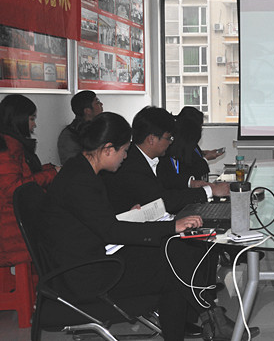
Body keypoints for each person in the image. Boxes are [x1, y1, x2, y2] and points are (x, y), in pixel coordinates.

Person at [42, 112, 258, 341]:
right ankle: (211, 320)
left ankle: (211, 319)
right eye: (124, 150)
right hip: (86, 275)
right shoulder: (81, 181)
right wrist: (171, 226)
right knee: (173, 267)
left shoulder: (80, 170)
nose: (126, 157)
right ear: (108, 149)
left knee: (176, 251)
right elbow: (110, 231)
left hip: (93, 257)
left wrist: (131, 216)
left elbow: (96, 222)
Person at [103, 106, 229, 215]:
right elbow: (163, 201)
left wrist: (191, 183)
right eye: (168, 138)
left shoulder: (153, 158)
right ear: (151, 139)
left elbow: (168, 180)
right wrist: (210, 191)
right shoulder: (130, 165)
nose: (170, 142)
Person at [0, 94, 59, 267]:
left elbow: (24, 174)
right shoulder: (7, 148)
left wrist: (51, 169)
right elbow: (13, 189)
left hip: (18, 222)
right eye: (32, 119)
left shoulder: (14, 144)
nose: (34, 125)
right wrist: (51, 174)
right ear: (18, 119)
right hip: (12, 228)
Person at [157, 106, 224, 188]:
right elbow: (189, 172)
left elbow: (192, 156)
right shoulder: (173, 147)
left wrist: (203, 154)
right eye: (200, 127)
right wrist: (206, 159)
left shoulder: (187, 142)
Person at [57, 90, 103, 164]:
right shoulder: (69, 135)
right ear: (87, 111)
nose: (101, 104)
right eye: (97, 102)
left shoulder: (100, 127)